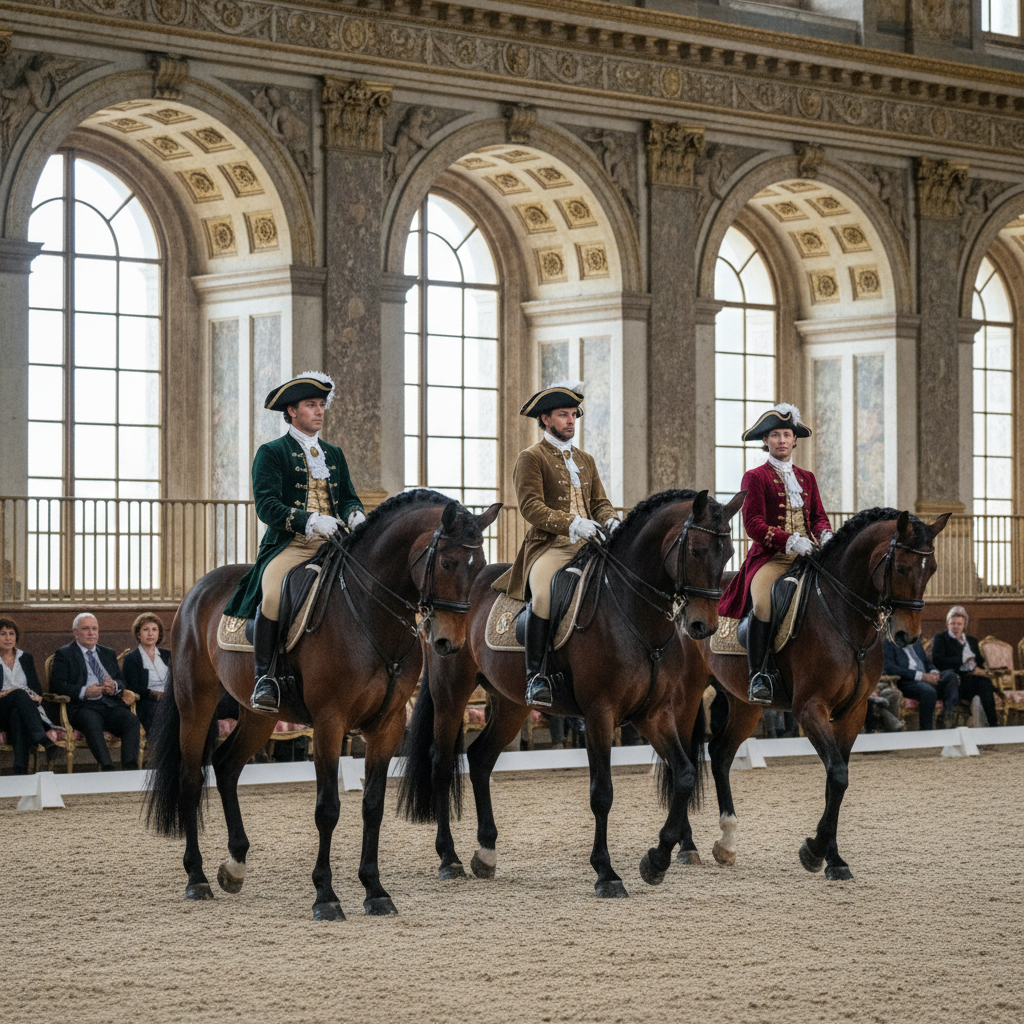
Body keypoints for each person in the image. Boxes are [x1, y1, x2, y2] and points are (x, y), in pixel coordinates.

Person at [223, 372, 365, 712]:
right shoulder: (272, 452)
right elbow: (267, 506)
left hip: (335, 544)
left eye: (321, 405)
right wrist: (310, 520)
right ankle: (265, 678)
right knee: (273, 596)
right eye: (311, 405)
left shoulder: (333, 454)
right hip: (291, 545)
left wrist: (356, 516)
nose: (319, 411)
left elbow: (347, 497)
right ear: (291, 411)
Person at [492, 381, 618, 707]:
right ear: (546, 419)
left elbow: (600, 503)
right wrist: (572, 523)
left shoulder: (586, 460)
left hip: (591, 545)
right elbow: (530, 507)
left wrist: (611, 521)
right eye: (563, 415)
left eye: (574, 414)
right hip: (551, 547)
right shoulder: (531, 457)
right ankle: (536, 677)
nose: (571, 421)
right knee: (544, 596)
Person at [719, 403, 832, 705]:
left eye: (786, 435)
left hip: (809, 557)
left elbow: (818, 517)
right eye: (775, 435)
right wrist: (790, 541)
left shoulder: (807, 478)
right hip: (771, 559)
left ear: (794, 441)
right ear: (765, 440)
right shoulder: (754, 477)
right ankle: (758, 674)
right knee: (763, 604)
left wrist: (826, 535)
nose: (782, 440)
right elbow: (754, 525)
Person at [48, 612, 140, 771]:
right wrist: (84, 691)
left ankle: (130, 769)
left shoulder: (108, 653)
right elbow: (57, 686)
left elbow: (121, 680)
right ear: (76, 632)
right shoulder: (65, 654)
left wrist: (115, 686)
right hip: (83, 707)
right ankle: (108, 768)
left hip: (109, 704)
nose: (91, 633)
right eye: (86, 629)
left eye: (94, 629)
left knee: (131, 721)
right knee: (91, 721)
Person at [0, 617, 64, 773]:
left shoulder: (26, 658)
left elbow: (37, 689)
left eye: (11, 633)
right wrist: (12, 692)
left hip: (24, 709)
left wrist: (32, 695)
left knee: (17, 715)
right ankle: (43, 739)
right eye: (2, 634)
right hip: (1, 709)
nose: (8, 638)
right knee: (18, 694)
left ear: (16, 637)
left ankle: (20, 769)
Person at [931, 605, 999, 729]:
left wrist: (982, 671)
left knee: (985, 684)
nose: (956, 626)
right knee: (982, 688)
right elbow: (938, 661)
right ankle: (989, 727)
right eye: (953, 623)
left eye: (959, 624)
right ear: (948, 624)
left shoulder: (971, 641)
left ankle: (991, 726)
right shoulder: (941, 638)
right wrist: (963, 661)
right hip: (956, 678)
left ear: (964, 625)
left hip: (975, 677)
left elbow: (979, 661)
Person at [883, 635, 959, 731]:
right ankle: (926, 730)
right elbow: (890, 668)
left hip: (926, 678)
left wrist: (933, 673)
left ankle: (946, 718)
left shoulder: (916, 642)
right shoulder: (888, 643)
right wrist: (922, 676)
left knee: (951, 676)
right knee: (928, 691)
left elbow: (927, 662)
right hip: (907, 682)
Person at [121, 612, 171, 734]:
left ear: (159, 633)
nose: (150, 634)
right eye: (145, 629)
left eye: (154, 629)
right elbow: (133, 687)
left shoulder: (168, 655)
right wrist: (154, 693)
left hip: (170, 699)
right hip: (147, 703)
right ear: (138, 634)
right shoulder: (131, 659)